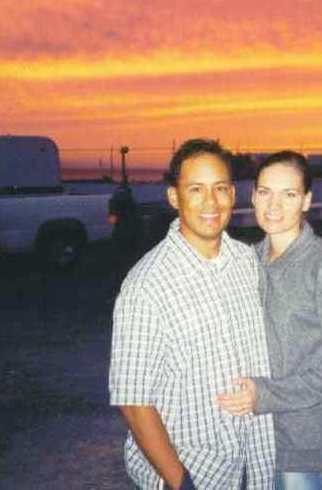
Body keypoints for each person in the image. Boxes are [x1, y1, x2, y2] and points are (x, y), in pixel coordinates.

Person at [109, 139, 275, 490]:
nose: (210, 202)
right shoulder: (148, 285)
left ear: (233, 193)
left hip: (256, 464)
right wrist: (181, 483)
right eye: (195, 189)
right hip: (194, 473)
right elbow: (132, 400)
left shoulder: (248, 263)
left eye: (219, 189)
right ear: (174, 197)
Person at [216, 151, 322, 490]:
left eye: (289, 194)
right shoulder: (247, 261)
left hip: (310, 446)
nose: (274, 205)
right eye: (265, 192)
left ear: (307, 201)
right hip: (259, 440)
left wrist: (265, 395)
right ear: (252, 196)